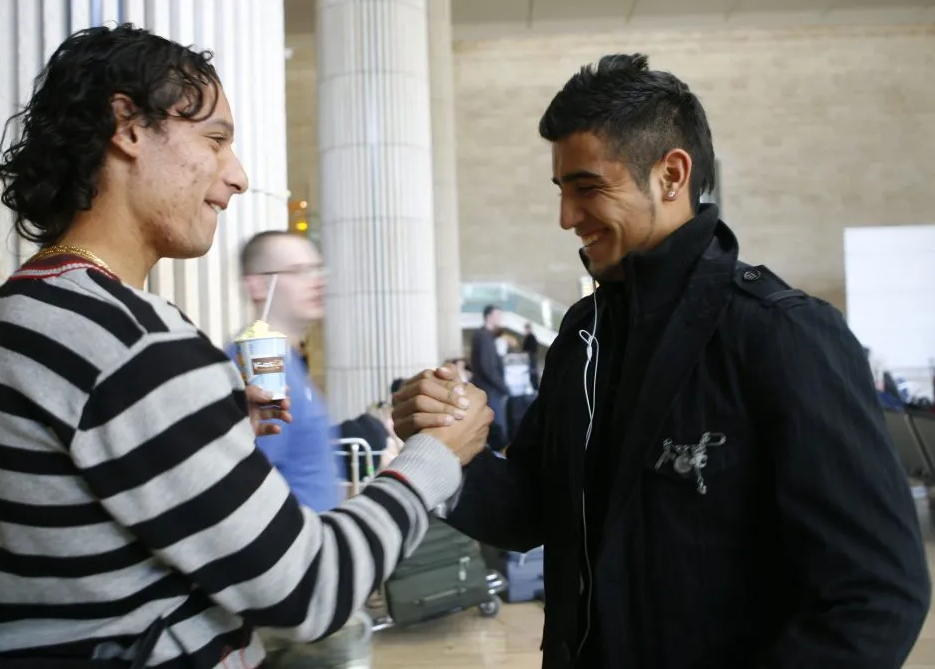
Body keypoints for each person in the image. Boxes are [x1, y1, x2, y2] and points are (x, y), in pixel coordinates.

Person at [0, 24, 492, 669]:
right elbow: (310, 589)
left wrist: (206, 425)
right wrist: (433, 460)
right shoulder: (130, 342)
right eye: (214, 140)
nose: (236, 178)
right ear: (127, 128)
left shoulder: (18, 308)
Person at [392, 53, 930, 669]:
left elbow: (877, 596)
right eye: (562, 190)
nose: (567, 217)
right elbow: (532, 513)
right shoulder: (584, 335)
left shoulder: (782, 334)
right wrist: (446, 448)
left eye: (588, 187)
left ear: (672, 175)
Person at [224, 231, 338, 512]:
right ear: (258, 285)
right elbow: (250, 482)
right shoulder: (259, 365)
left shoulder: (284, 359)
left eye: (317, 269)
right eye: (299, 271)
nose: (318, 281)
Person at [470, 305, 510, 450]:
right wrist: (504, 387)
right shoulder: (483, 336)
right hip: (490, 390)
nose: (500, 318)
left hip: (491, 389)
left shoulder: (488, 336)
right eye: (497, 315)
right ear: (489, 316)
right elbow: (487, 367)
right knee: (496, 430)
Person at [521, 323, 539, 390]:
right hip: (531, 360)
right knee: (532, 376)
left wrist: (523, 353)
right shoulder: (529, 337)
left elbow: (530, 350)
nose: (524, 331)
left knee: (532, 376)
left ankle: (535, 390)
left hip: (531, 361)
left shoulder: (531, 337)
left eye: (525, 329)